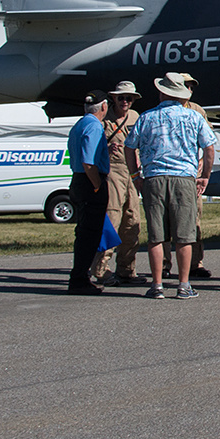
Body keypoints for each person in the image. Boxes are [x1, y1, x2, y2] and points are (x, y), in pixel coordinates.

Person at [124, 73, 216, 300]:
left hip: (153, 178)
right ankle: (183, 285)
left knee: (156, 235)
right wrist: (204, 176)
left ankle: (157, 285)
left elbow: (129, 147)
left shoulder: (146, 117)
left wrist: (135, 174)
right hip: (184, 178)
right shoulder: (193, 117)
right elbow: (210, 147)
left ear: (162, 92)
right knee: (184, 235)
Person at [92, 81, 145, 286]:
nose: (125, 101)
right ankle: (100, 268)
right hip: (112, 170)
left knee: (132, 221)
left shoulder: (136, 117)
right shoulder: (102, 118)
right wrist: (106, 146)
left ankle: (126, 269)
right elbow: (90, 144)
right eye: (121, 97)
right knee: (112, 218)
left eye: (129, 98)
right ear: (113, 98)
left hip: (132, 171)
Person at [163, 72, 213, 279]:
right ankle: (165, 265)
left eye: (192, 86)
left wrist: (202, 165)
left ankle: (195, 263)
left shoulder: (197, 111)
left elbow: (208, 141)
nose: (190, 90)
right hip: (168, 172)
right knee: (165, 221)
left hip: (192, 174)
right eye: (186, 86)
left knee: (194, 219)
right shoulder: (162, 112)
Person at [66, 90, 110, 295]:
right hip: (89, 180)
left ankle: (80, 276)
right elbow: (88, 162)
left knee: (84, 230)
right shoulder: (94, 126)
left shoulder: (79, 125)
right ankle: (80, 278)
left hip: (77, 179)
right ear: (104, 107)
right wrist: (97, 185)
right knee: (89, 234)